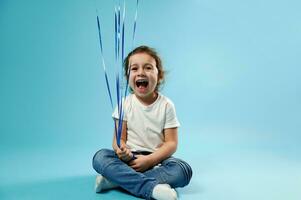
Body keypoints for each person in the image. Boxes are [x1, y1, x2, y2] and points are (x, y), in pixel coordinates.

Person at [92, 45, 192, 200]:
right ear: (128, 76)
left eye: (148, 67)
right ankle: (152, 189)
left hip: (158, 160)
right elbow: (119, 140)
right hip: (129, 160)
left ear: (159, 76)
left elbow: (171, 143)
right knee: (99, 157)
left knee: (183, 170)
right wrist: (121, 150)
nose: (141, 72)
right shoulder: (124, 104)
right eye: (134, 68)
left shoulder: (166, 105)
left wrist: (150, 160)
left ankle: (116, 181)